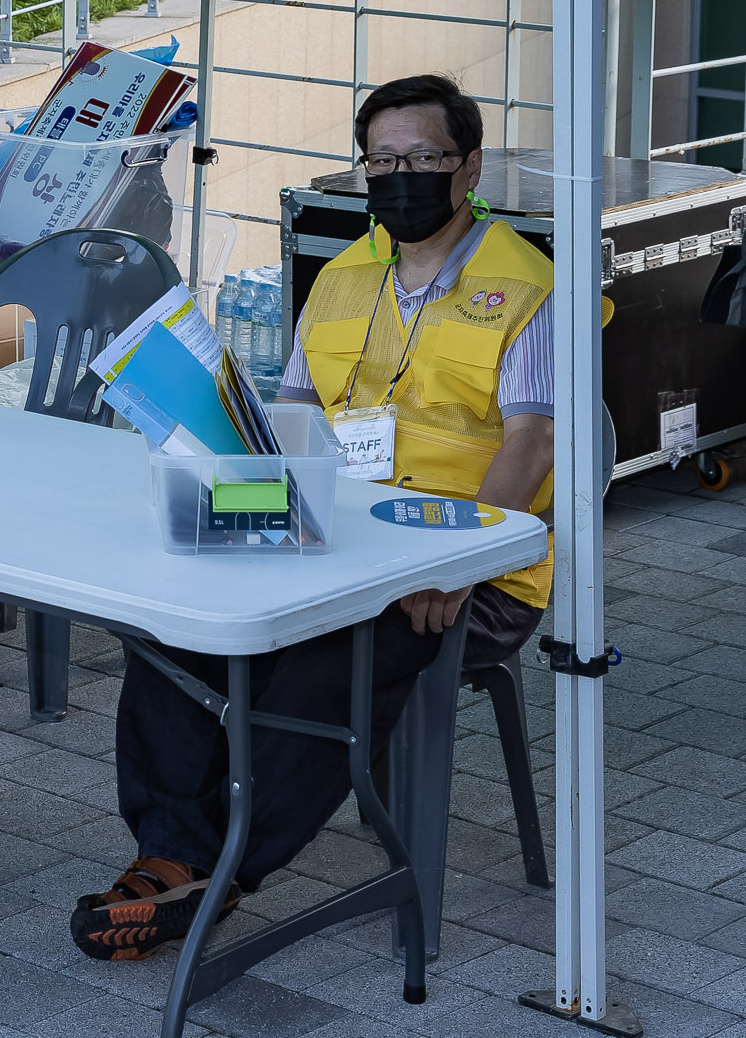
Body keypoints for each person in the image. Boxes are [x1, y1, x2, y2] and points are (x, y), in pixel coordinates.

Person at [73, 74, 556, 963]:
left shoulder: (526, 286)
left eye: (424, 159)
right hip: (331, 536)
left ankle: (224, 875)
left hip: (460, 570)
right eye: (382, 160)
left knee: (329, 657)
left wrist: (459, 563)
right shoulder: (342, 275)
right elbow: (285, 427)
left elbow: (531, 446)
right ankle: (167, 851)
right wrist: (219, 491)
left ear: (470, 165)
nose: (400, 176)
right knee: (176, 614)